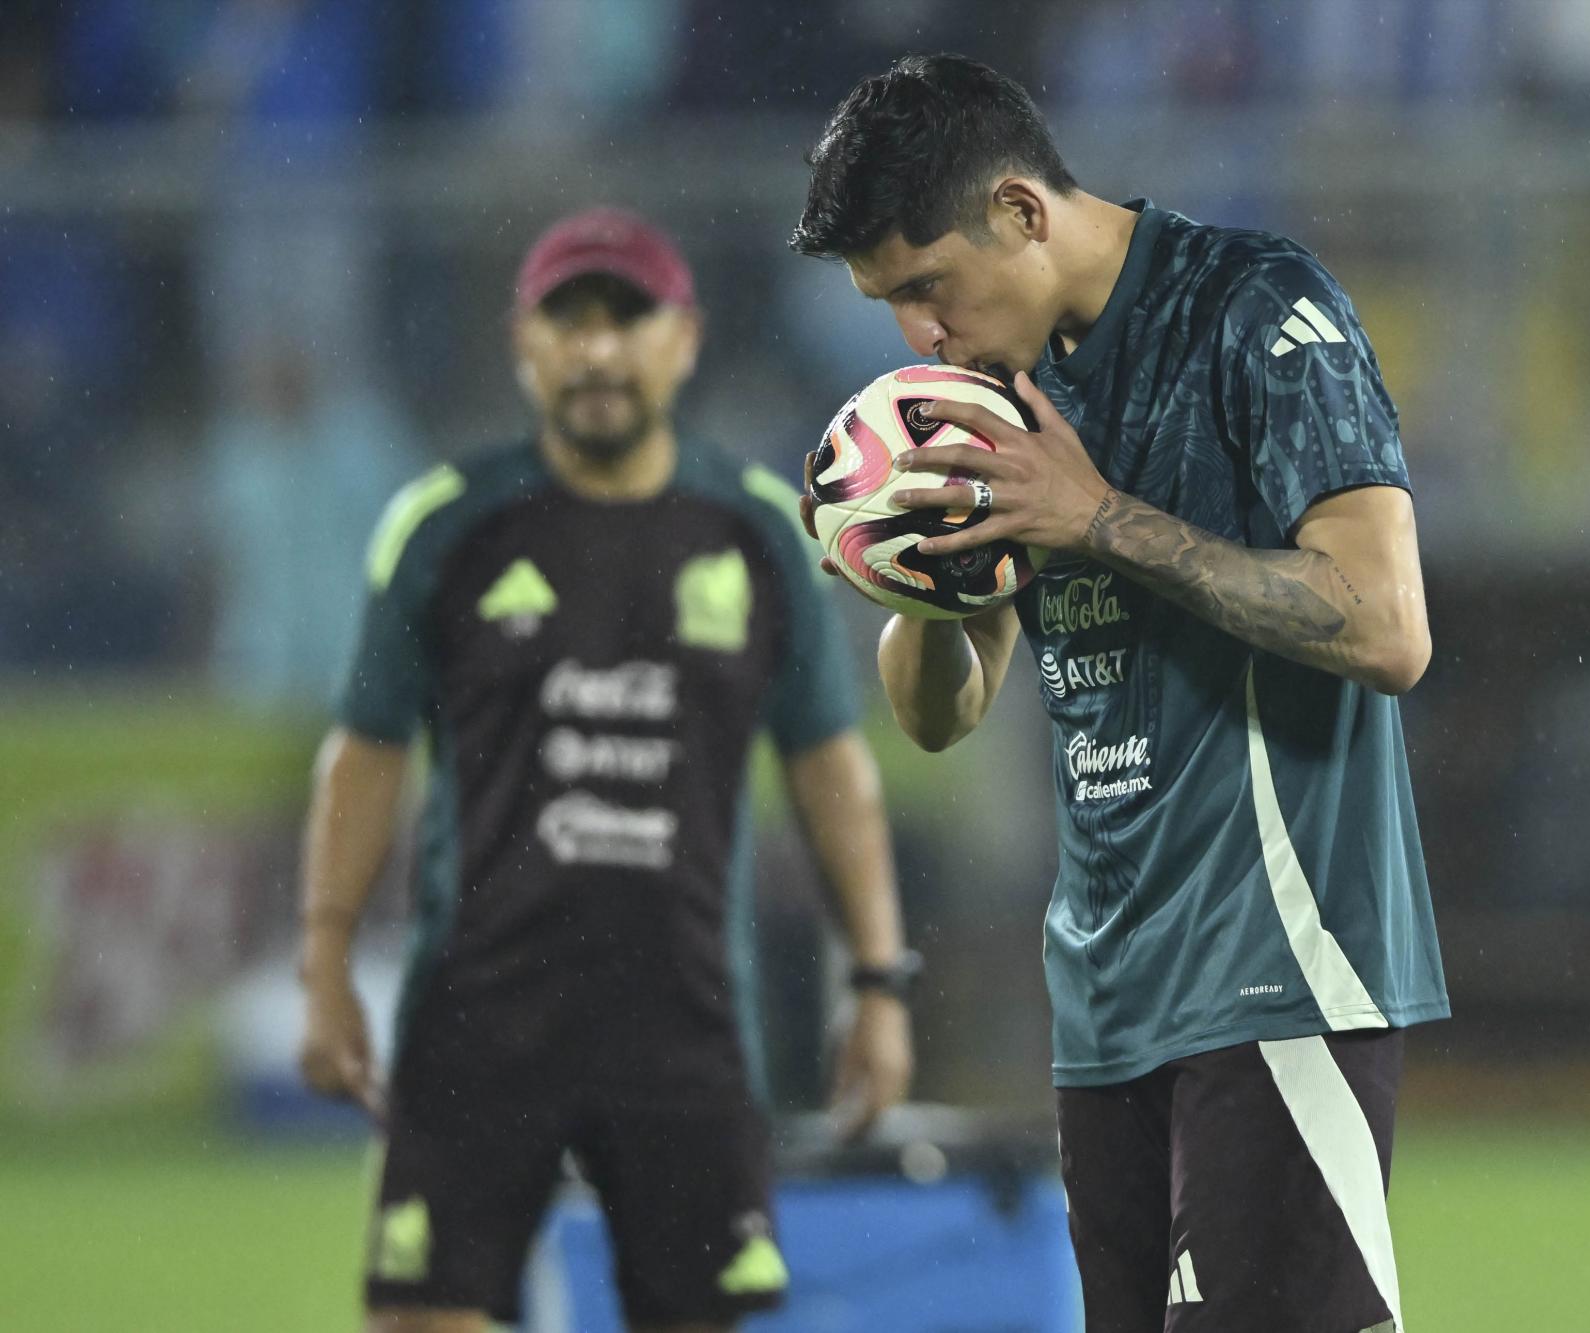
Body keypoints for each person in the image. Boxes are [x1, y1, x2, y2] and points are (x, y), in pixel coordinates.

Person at [791, 56, 1447, 1333]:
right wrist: (921, 586)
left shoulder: (1257, 314)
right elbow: (943, 709)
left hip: (1278, 967)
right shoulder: (993, 388)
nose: (917, 336)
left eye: (926, 286)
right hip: (1107, 1000)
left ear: (1023, 213)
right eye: (888, 305)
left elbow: (1387, 624)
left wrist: (1096, 519)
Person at [297, 207, 916, 1333]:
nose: (595, 352)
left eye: (625, 322)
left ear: (684, 340)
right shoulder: (442, 527)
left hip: (684, 1024)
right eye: (565, 323)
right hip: (477, 1024)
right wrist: (325, 957)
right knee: (420, 1318)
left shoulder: (764, 532)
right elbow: (366, 748)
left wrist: (877, 982)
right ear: (519, 343)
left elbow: (829, 766)